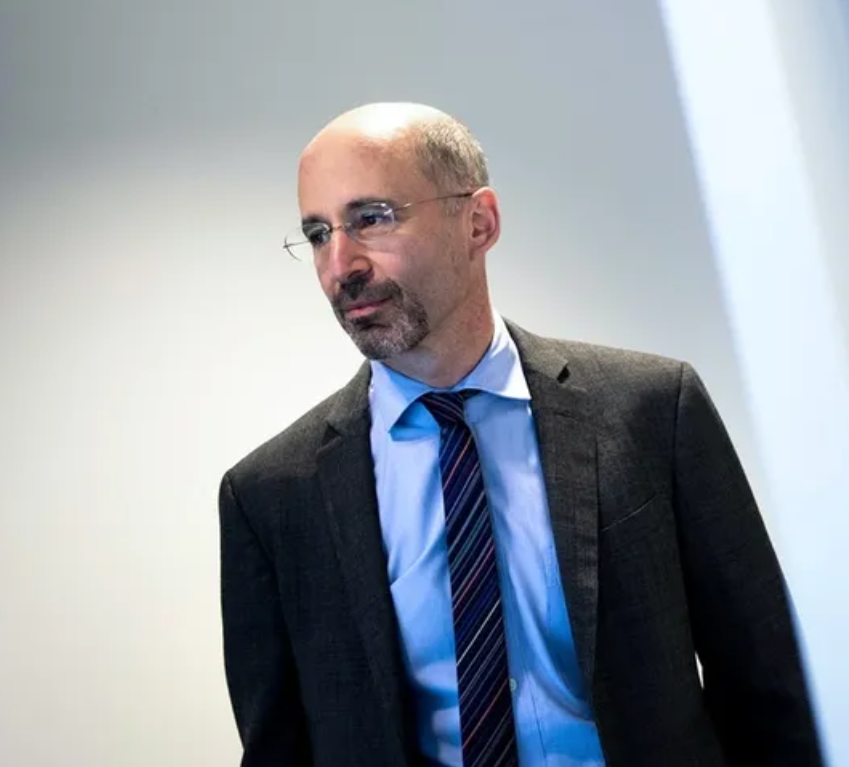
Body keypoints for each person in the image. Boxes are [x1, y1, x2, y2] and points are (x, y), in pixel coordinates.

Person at [218, 103, 822, 767]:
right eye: (317, 233)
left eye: (372, 218)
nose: (341, 264)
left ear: (479, 222)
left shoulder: (652, 409)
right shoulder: (271, 497)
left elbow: (772, 687)